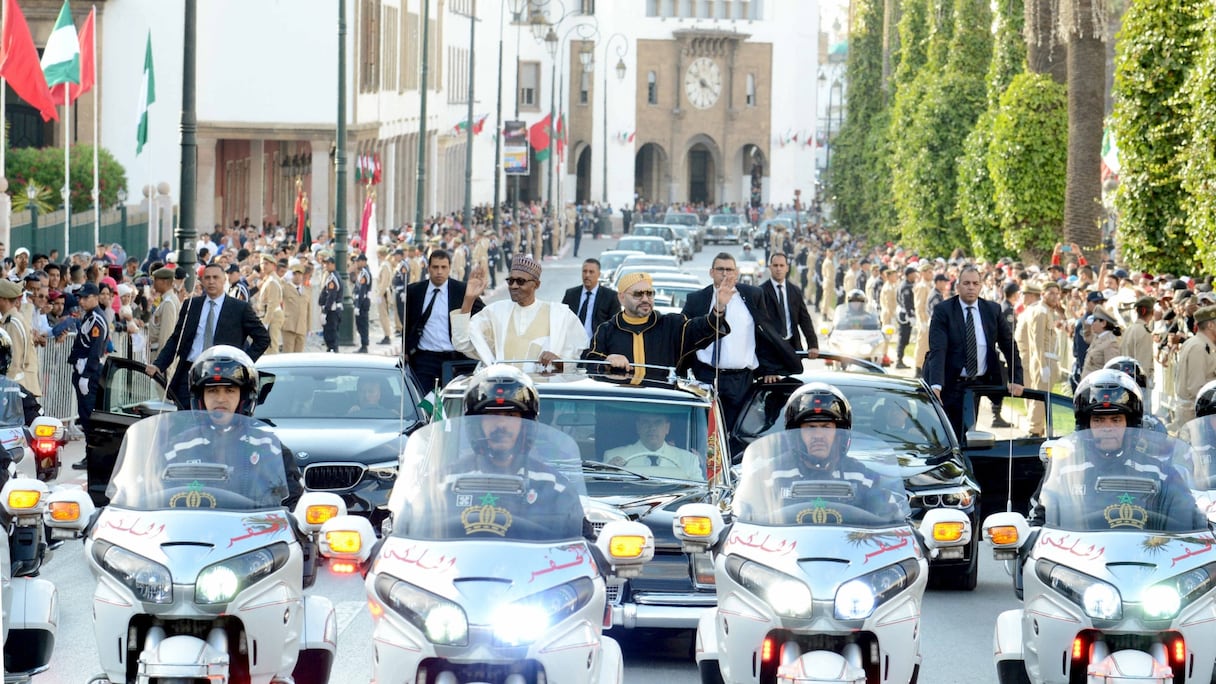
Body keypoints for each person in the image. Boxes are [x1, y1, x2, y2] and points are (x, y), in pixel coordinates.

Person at [1028, 369, 1202, 531]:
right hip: (1077, 559)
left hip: (1146, 558)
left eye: (1116, 419)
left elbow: (1192, 521)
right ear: (1085, 424)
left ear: (1131, 424)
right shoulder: (1064, 471)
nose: (1107, 427)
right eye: (1098, 420)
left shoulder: (1160, 472)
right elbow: (1036, 523)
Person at [436, 365, 583, 539]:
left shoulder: (554, 488)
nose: (501, 425)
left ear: (527, 425)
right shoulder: (442, 484)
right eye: (492, 416)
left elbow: (582, 549)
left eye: (511, 416)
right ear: (475, 426)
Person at [739, 383, 904, 522]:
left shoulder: (863, 477)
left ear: (839, 434)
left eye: (826, 427)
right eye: (810, 427)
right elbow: (744, 521)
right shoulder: (769, 476)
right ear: (796, 435)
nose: (818, 435)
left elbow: (891, 521)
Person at [165, 346, 303, 507]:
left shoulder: (268, 447)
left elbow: (293, 503)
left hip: (253, 529)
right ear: (200, 397)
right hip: (192, 531)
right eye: (212, 391)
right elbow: (153, 498)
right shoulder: (179, 447)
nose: (221, 399)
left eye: (229, 390)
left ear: (245, 397)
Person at [680, 253, 799, 430]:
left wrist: (769, 369)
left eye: (730, 270)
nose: (725, 274)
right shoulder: (697, 299)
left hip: (740, 380)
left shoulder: (753, 295)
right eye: (720, 269)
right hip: (705, 376)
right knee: (706, 431)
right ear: (711, 272)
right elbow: (684, 334)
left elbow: (764, 334)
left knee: (736, 432)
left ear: (736, 273)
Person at [146, 262, 271, 407]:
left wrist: (242, 364)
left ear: (224, 280)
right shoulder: (191, 305)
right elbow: (176, 339)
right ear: (202, 281)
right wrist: (158, 365)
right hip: (189, 372)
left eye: (216, 277)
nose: (211, 281)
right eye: (207, 278)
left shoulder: (239, 308)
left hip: (222, 374)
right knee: (185, 420)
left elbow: (262, 338)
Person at [924, 265, 1023, 444]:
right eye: (966, 283)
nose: (971, 287)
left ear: (981, 286)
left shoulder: (992, 310)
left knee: (968, 434)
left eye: (975, 283)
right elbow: (938, 349)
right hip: (950, 384)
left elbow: (1008, 344)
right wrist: (936, 385)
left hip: (978, 385)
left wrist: (1016, 378)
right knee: (947, 435)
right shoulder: (944, 311)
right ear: (958, 286)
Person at [582, 272, 729, 384]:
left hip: (661, 407)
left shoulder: (671, 325)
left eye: (649, 293)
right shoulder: (607, 330)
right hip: (619, 408)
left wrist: (718, 309)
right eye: (638, 294)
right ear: (621, 297)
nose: (645, 299)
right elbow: (590, 363)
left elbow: (702, 328)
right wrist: (608, 360)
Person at [454, 255, 586, 372]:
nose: (514, 286)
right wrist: (469, 299)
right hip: (503, 390)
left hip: (544, 392)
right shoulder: (495, 313)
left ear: (536, 285)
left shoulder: (558, 315)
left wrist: (559, 362)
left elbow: (574, 357)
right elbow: (463, 343)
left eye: (520, 281)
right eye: (510, 281)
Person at [402, 250, 484, 395]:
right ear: (428, 268)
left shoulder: (461, 290)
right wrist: (406, 350)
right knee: (424, 401)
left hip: (456, 358)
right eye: (435, 267)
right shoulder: (415, 291)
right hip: (425, 359)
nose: (439, 272)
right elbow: (407, 323)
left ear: (449, 268)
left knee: (455, 401)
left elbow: (482, 316)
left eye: (443, 267)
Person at [70, 283, 109, 469]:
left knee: (89, 417)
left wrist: (86, 374)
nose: (81, 301)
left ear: (95, 297)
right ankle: (91, 455)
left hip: (89, 372)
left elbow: (95, 350)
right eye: (81, 298)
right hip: (83, 369)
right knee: (85, 417)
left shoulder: (96, 319)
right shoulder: (90, 316)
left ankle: (93, 456)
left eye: (85, 297)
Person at [604, 413, 702, 479]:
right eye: (646, 422)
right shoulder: (613, 457)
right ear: (638, 427)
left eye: (658, 422)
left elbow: (698, 497)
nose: (652, 428)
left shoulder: (689, 460)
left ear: (667, 428)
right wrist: (607, 473)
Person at [761, 253, 818, 357]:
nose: (778, 269)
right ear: (770, 267)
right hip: (770, 350)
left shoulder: (795, 291)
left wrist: (812, 344)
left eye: (782, 265)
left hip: (792, 347)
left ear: (787, 268)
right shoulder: (761, 292)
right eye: (775, 265)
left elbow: (805, 319)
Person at [1172, 305, 1216, 430]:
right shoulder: (1199, 347)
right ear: (1210, 325)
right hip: (1195, 418)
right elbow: (1196, 389)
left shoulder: (1198, 343)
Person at [561, 259, 620, 342]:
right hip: (572, 343)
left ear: (599, 274)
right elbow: (561, 319)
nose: (587, 275)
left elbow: (615, 325)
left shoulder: (610, 296)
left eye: (591, 272)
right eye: (584, 271)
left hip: (597, 345)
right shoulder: (571, 294)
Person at [1104, 356, 1166, 433]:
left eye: (1134, 389)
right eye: (1120, 391)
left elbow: (1165, 441)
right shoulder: (1093, 416)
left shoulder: (1152, 424)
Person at [0, 279, 39, 401]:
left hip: (16, 388)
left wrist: (5, 388)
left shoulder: (12, 323)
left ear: (5, 299)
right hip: (17, 387)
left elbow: (14, 361)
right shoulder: (12, 319)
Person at [1080, 304, 1122, 381]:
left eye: (1094, 320)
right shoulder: (1098, 337)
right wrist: (1086, 325)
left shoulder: (1111, 343)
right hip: (1088, 385)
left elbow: (1111, 372)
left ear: (1103, 323)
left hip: (1098, 387)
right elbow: (1087, 337)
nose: (1092, 323)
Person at [281, 264, 312, 354]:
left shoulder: (307, 290)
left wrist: (309, 327)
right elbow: (277, 285)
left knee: (299, 355)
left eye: (299, 274)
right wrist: (284, 278)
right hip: (289, 325)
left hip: (302, 327)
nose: (297, 277)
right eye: (295, 274)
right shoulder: (286, 288)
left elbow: (309, 310)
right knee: (288, 354)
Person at [894, 266, 917, 369]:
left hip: (905, 313)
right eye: (913, 274)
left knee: (904, 337)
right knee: (903, 337)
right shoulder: (906, 286)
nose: (915, 276)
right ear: (909, 274)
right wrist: (910, 315)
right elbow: (906, 302)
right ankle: (899, 360)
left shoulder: (905, 284)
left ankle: (900, 359)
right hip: (905, 314)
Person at [319, 256, 342, 353]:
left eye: (328, 264)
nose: (326, 266)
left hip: (331, 310)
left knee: (331, 332)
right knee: (331, 331)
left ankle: (332, 350)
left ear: (333, 265)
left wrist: (325, 311)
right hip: (332, 309)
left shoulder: (332, 278)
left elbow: (331, 296)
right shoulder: (332, 276)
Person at [352, 253, 372, 353]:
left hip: (362, 302)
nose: (357, 263)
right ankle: (363, 344)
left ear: (363, 262)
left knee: (362, 324)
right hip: (362, 301)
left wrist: (358, 306)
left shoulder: (364, 273)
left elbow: (362, 291)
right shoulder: (362, 272)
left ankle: (364, 345)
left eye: (358, 261)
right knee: (360, 324)